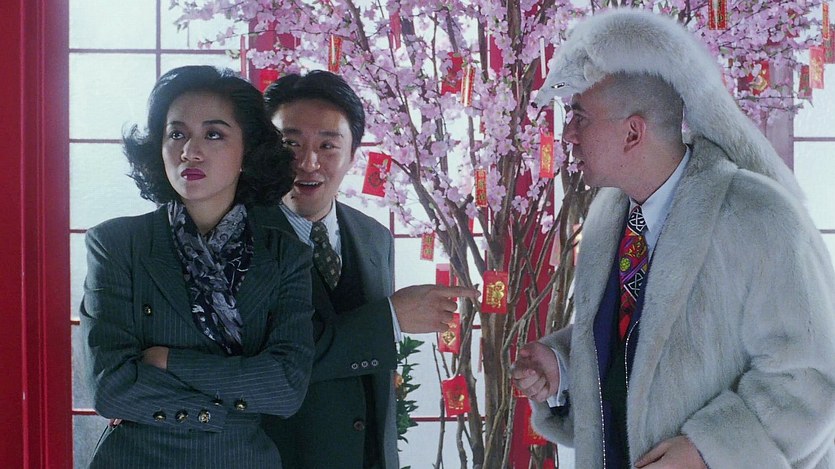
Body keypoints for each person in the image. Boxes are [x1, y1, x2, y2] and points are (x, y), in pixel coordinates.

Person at [512, 9, 835, 469]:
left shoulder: (757, 214)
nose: (568, 135)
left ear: (633, 132)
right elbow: (632, 347)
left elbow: (811, 377)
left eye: (579, 117)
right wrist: (562, 368)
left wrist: (709, 451)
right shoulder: (608, 217)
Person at [80, 65, 315, 468]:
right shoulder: (117, 244)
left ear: (248, 151)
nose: (190, 150)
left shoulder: (285, 256)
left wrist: (168, 361)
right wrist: (221, 413)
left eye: (214, 134)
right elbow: (111, 388)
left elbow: (285, 388)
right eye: (176, 134)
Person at [260, 70, 479, 469]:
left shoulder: (375, 238)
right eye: (290, 143)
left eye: (328, 145)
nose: (308, 162)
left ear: (352, 155)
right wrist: (390, 318)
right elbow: (271, 363)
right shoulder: (240, 239)